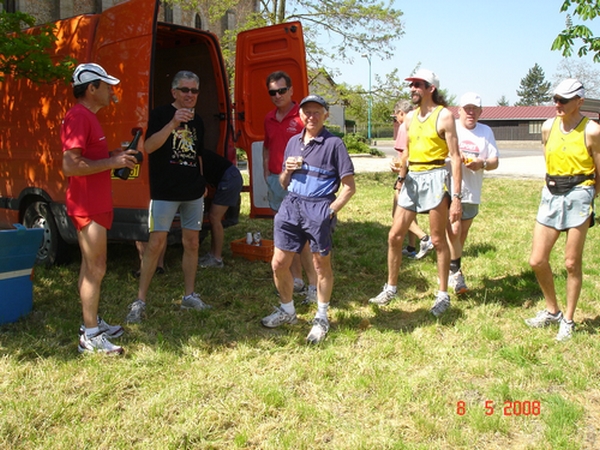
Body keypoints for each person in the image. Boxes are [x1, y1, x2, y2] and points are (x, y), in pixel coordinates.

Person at [261, 94, 356, 343]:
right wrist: (287, 170)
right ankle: (287, 310)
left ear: (325, 115)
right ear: (300, 115)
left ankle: (321, 317)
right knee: (279, 263)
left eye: (316, 112)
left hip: (318, 207)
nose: (311, 116)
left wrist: (330, 211)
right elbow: (283, 182)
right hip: (291, 204)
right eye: (307, 112)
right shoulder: (293, 142)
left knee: (320, 265)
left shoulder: (334, 144)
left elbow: (349, 187)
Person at [368, 69, 462, 317]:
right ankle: (391, 288)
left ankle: (443, 295)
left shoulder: (445, 117)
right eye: (411, 85)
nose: (412, 89)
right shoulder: (408, 118)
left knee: (438, 240)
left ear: (431, 88)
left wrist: (457, 198)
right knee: (394, 236)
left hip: (435, 177)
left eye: (418, 85)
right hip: (412, 179)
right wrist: (400, 176)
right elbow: (406, 153)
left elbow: (456, 157)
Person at [61, 63, 139, 354]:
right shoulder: (79, 116)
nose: (111, 90)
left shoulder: (88, 117)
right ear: (91, 88)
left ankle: (90, 323)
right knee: (97, 266)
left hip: (96, 201)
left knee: (89, 264)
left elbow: (87, 158)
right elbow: (70, 164)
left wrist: (112, 155)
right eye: (106, 85)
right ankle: (90, 336)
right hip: (87, 204)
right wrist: (112, 163)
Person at [126, 70, 210, 323]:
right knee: (156, 244)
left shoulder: (199, 122)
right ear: (174, 92)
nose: (190, 95)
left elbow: (198, 155)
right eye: (185, 90)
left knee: (192, 243)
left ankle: (189, 295)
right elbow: (149, 147)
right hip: (165, 191)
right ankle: (140, 300)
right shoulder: (161, 114)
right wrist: (173, 123)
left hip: (192, 191)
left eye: (194, 91)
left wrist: (203, 180)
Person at [525, 79, 600, 342]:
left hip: (579, 194)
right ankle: (552, 311)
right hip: (552, 194)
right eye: (555, 99)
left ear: (579, 101)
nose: (557, 104)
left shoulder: (591, 130)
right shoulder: (548, 126)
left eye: (564, 100)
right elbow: (549, 160)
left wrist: (589, 198)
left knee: (571, 263)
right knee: (537, 260)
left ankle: (568, 320)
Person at [264, 71, 318, 302]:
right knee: (287, 235)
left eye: (282, 90)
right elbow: (267, 146)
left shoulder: (303, 116)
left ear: (291, 90)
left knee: (304, 238)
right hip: (277, 180)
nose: (277, 95)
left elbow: (316, 146)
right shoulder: (269, 117)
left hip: (300, 184)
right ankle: (296, 279)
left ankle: (314, 286)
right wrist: (267, 173)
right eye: (272, 92)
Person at [446, 92, 499, 294]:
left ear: (480, 111)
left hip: (472, 191)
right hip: (450, 188)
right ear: (458, 110)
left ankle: (451, 264)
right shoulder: (452, 127)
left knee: (462, 233)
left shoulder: (486, 131)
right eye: (467, 108)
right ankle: (455, 273)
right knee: (455, 230)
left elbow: (495, 161)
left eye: (475, 109)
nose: (471, 112)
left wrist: (482, 163)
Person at [391, 99, 434, 260]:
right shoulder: (420, 123)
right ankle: (411, 247)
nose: (397, 120)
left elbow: (405, 156)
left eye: (396, 116)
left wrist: (400, 176)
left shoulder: (404, 126)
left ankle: (425, 239)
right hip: (420, 172)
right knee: (410, 212)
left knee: (398, 213)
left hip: (408, 174)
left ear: (401, 113)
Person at [197, 149, 243, 268]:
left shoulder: (195, 156)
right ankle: (212, 254)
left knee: (214, 218)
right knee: (214, 218)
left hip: (229, 178)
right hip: (231, 175)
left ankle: (216, 259)